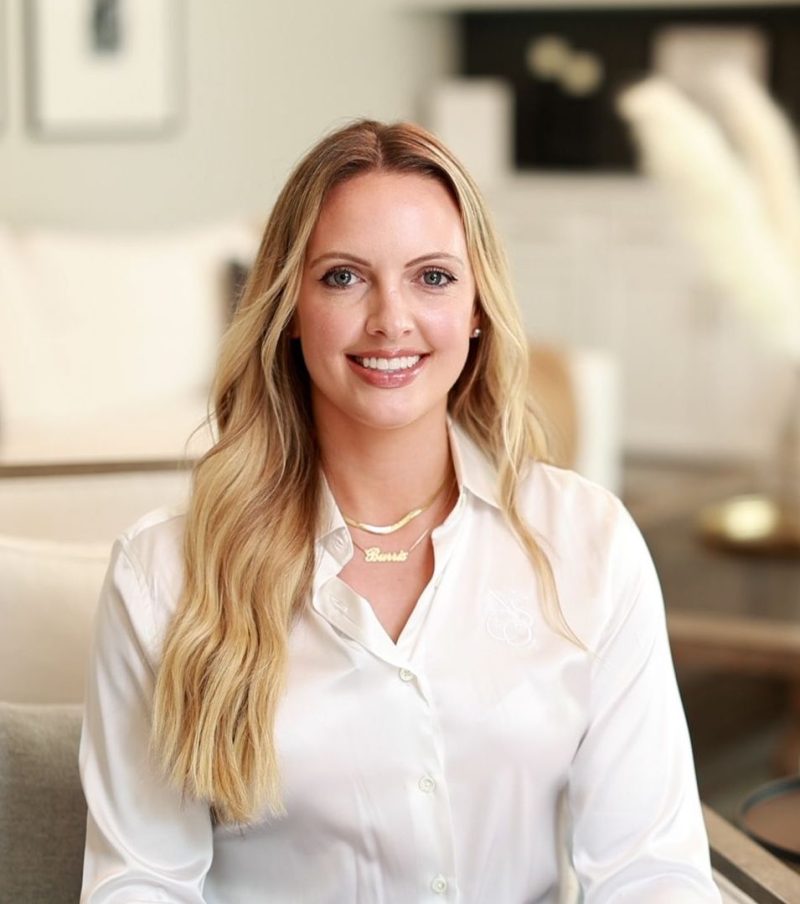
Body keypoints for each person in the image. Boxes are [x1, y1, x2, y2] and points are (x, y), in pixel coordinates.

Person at [79, 119, 721, 903]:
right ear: (290, 308)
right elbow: (142, 880)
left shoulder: (588, 541)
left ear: (478, 305)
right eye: (344, 277)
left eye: (433, 277)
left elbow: (648, 870)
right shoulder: (164, 575)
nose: (391, 319)